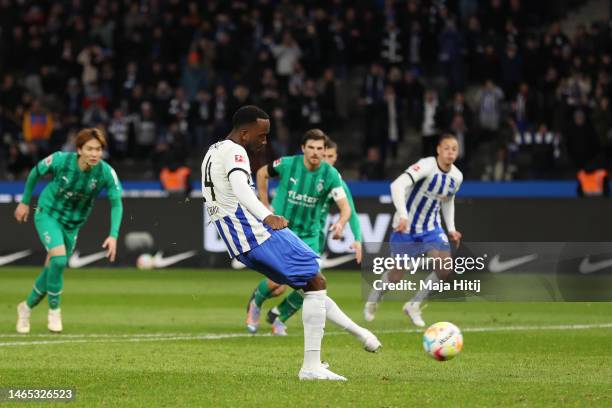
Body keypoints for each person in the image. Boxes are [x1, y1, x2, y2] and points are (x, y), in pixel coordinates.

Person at [202, 106, 380, 381]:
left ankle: (355, 338)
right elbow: (239, 187)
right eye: (261, 136)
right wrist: (267, 214)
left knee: (312, 283)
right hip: (255, 233)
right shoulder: (237, 153)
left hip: (238, 239)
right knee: (315, 280)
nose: (264, 142)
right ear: (244, 132)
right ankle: (312, 365)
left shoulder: (213, 150)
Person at [14, 128, 123, 334]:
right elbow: (35, 172)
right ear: (79, 150)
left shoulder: (106, 172)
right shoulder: (60, 160)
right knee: (60, 260)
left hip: (73, 225)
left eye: (98, 149)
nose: (94, 154)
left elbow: (116, 203)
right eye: (89, 149)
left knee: (52, 269)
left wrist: (113, 235)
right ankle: (54, 311)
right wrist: (25, 202)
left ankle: (26, 307)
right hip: (48, 213)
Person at [253, 134, 363, 335]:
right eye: (314, 149)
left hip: (313, 235)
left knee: (313, 280)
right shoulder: (290, 165)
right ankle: (257, 301)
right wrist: (265, 206)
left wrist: (350, 233)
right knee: (277, 284)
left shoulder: (333, 177)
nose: (322, 157)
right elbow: (262, 173)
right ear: (303, 148)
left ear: (333, 157)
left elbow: (350, 210)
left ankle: (280, 316)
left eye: (327, 153)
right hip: (284, 230)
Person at [364, 133, 463, 327]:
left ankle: (414, 305)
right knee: (396, 275)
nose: (450, 152)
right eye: (447, 148)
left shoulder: (456, 177)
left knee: (444, 268)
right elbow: (397, 185)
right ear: (438, 150)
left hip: (431, 228)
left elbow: (448, 200)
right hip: (406, 227)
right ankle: (375, 297)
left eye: (454, 149)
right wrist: (403, 215)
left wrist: (451, 228)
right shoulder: (426, 166)